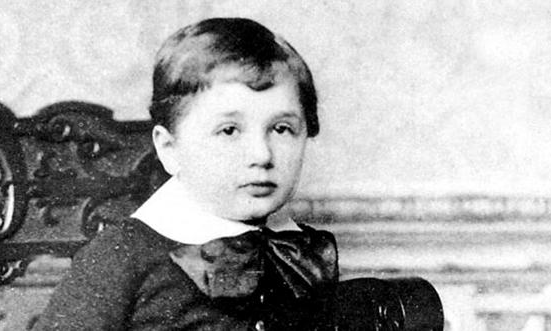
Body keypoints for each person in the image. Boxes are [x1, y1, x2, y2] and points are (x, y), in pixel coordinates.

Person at [33, 17, 338, 330]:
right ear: (169, 149)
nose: (262, 155)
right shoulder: (120, 256)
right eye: (229, 130)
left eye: (281, 129)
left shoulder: (298, 252)